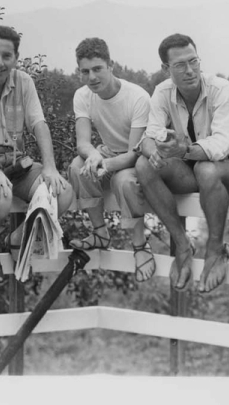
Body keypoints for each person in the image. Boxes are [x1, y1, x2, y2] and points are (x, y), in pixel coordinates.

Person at [0, 25, 73, 283]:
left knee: (62, 194)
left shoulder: (23, 81)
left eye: (6, 56)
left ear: (16, 58)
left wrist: (50, 166)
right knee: (0, 194)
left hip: (16, 160)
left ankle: (18, 238)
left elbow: (39, 123)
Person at [134, 33, 229, 294]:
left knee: (207, 169)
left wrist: (179, 150)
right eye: (180, 65)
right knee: (143, 166)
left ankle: (216, 250)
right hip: (192, 166)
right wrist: (155, 149)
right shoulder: (162, 92)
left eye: (193, 61)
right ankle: (182, 246)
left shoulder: (221, 89)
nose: (190, 70)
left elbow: (219, 148)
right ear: (166, 69)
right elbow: (149, 136)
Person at [66, 38, 155, 282]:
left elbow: (135, 152)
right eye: (85, 71)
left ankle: (139, 245)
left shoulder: (137, 97)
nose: (92, 77)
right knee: (77, 166)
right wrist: (94, 155)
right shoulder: (82, 95)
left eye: (97, 69)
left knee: (124, 182)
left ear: (110, 65)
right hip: (108, 152)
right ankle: (100, 233)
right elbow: (82, 142)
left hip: (135, 157)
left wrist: (106, 165)